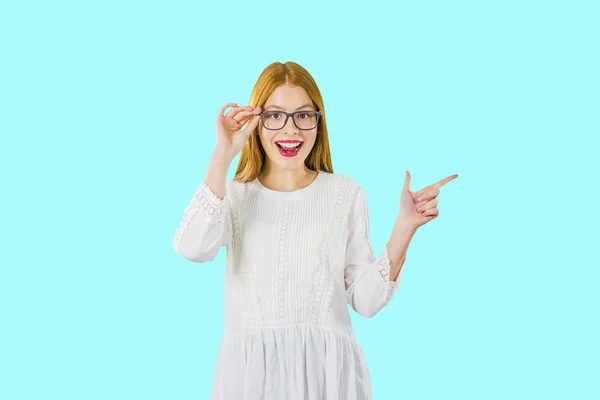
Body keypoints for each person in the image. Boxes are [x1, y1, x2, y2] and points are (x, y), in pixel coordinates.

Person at [172, 61, 458, 400]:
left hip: (329, 379)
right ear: (256, 122)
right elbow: (192, 247)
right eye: (275, 115)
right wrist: (223, 153)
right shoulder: (233, 195)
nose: (290, 130)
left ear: (318, 123)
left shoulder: (345, 194)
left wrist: (405, 227)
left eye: (304, 115)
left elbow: (365, 302)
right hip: (251, 381)